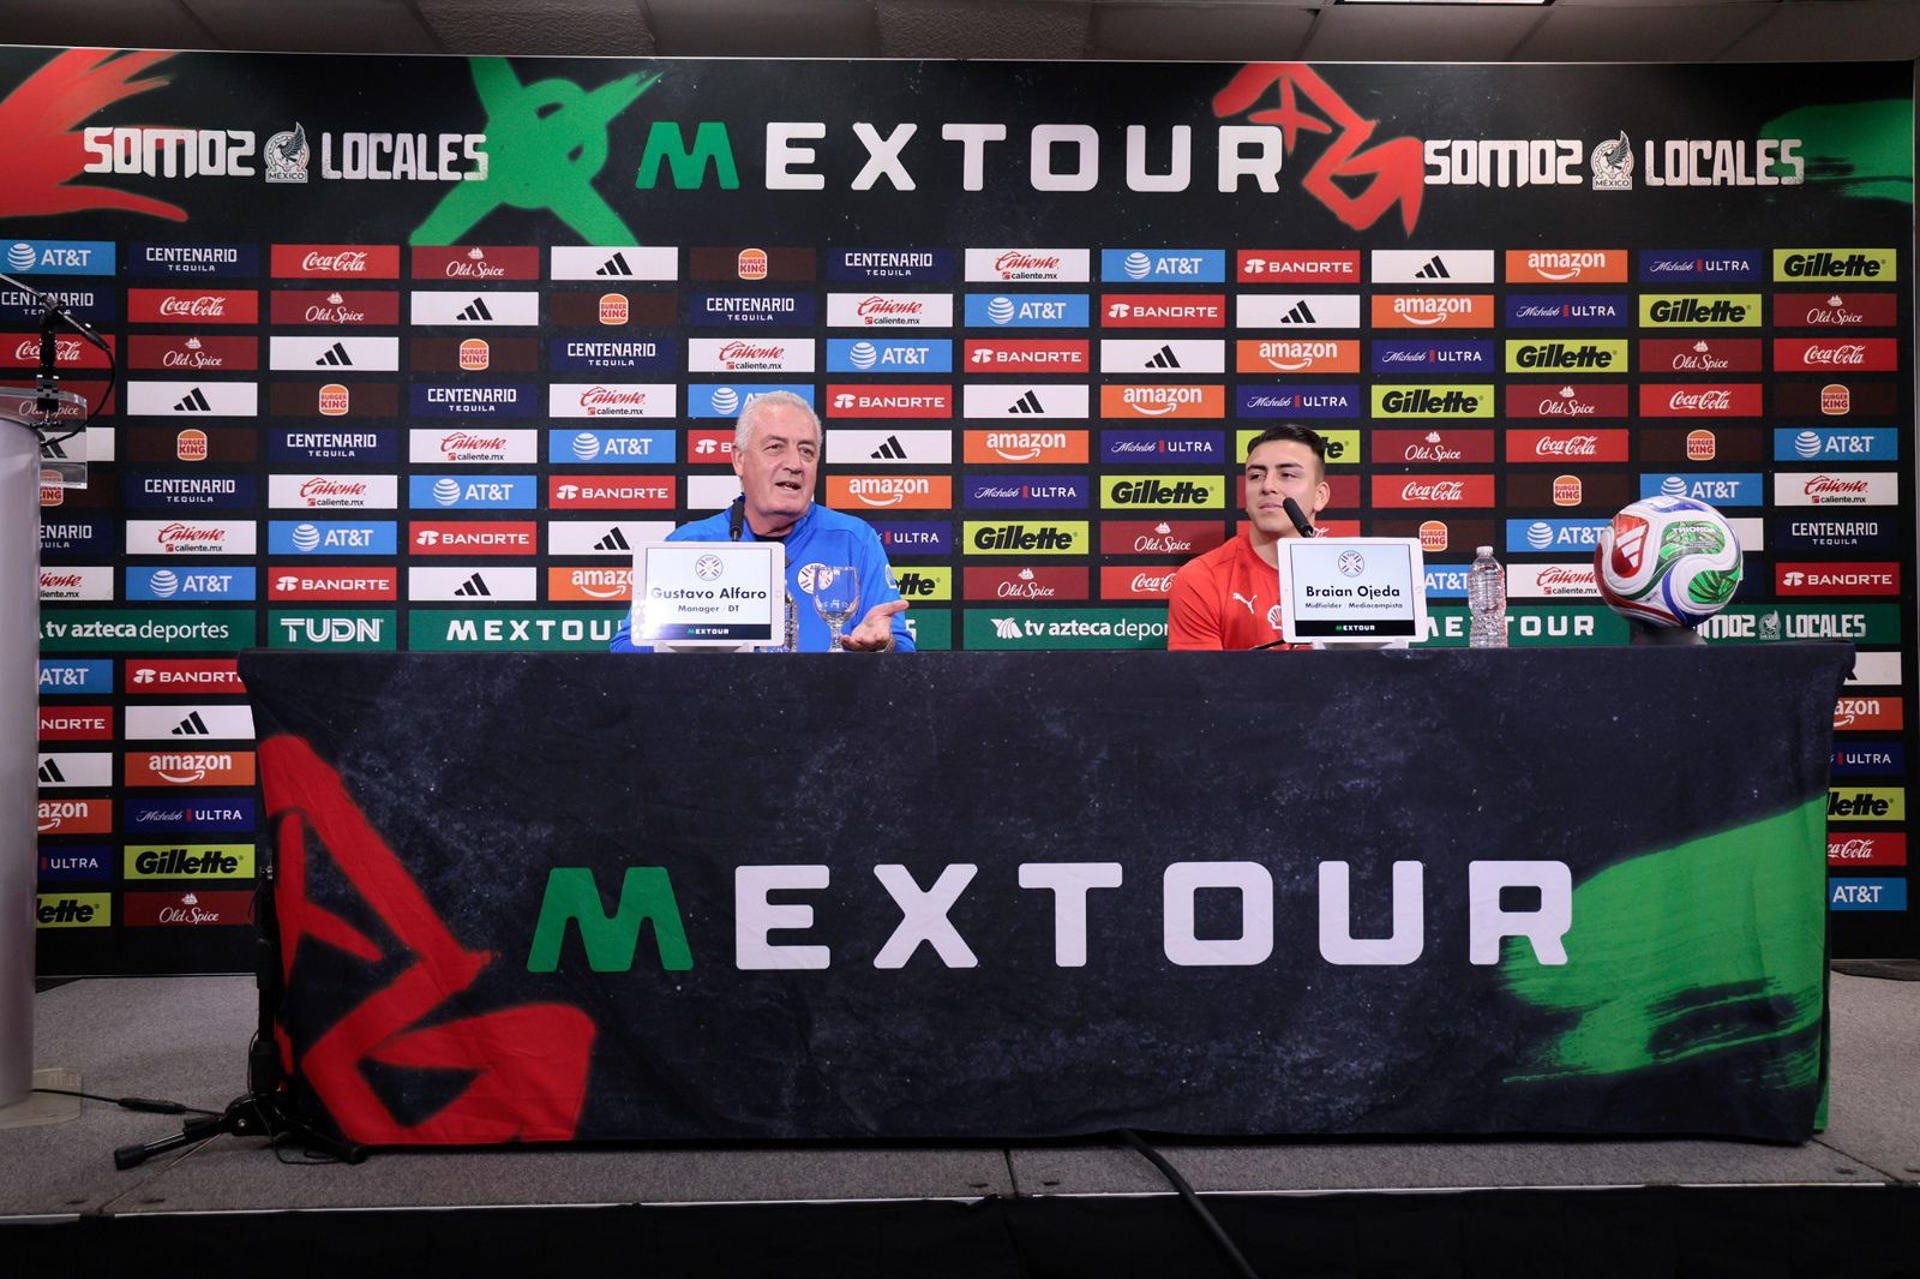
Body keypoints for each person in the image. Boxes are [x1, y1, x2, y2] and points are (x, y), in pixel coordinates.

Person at [610, 390, 913, 652]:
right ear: (739, 459)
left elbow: (899, 645)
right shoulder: (689, 544)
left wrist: (882, 644)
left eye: (806, 451)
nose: (794, 464)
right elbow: (626, 647)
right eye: (775, 447)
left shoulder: (854, 539)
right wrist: (694, 636)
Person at [1167, 423, 1329, 651]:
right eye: (1255, 476)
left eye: (1288, 475)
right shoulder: (1201, 579)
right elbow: (1201, 683)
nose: (1267, 486)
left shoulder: (1355, 577)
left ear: (1320, 496)